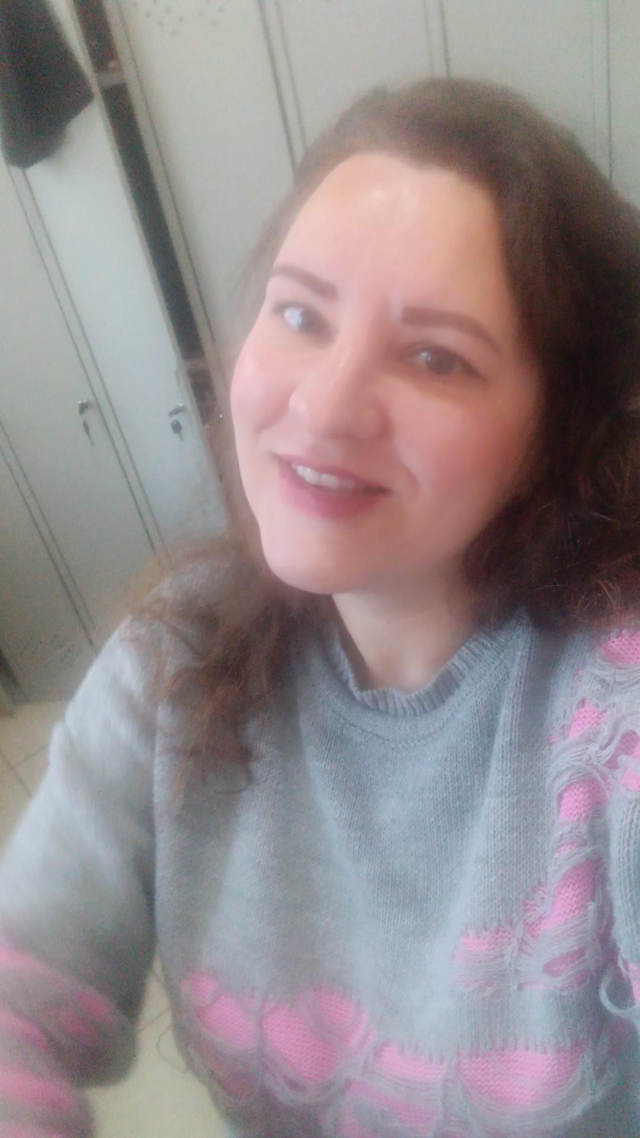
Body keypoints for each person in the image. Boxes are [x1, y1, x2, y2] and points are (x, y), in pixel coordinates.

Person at [0, 74, 639, 1138]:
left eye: (435, 357)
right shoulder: (179, 650)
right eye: (300, 314)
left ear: (557, 431)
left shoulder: (610, 708)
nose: (326, 404)